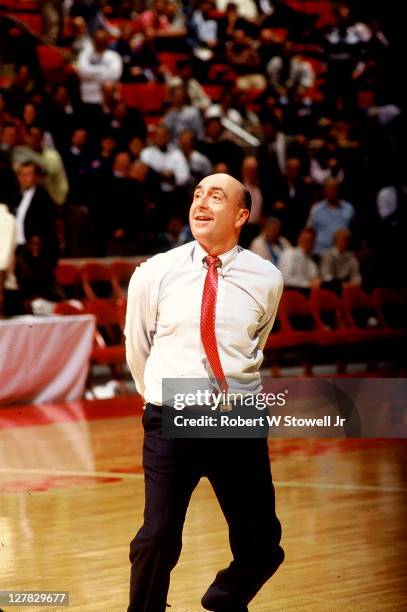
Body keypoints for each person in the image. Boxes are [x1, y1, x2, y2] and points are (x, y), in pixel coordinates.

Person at [125, 172, 285, 611]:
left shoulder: (267, 278)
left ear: (241, 215)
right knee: (156, 537)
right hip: (172, 415)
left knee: (262, 545)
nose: (201, 202)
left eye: (216, 196)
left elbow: (255, 345)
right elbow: (138, 347)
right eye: (197, 195)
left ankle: (224, 601)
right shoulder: (154, 272)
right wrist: (160, 396)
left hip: (237, 417)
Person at [279, 226, 320, 291]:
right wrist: (308, 284)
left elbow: (315, 279)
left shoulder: (311, 261)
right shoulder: (289, 253)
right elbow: (285, 279)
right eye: (306, 239)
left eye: (311, 240)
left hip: (307, 292)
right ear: (299, 239)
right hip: (289, 292)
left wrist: (316, 281)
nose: (308, 243)